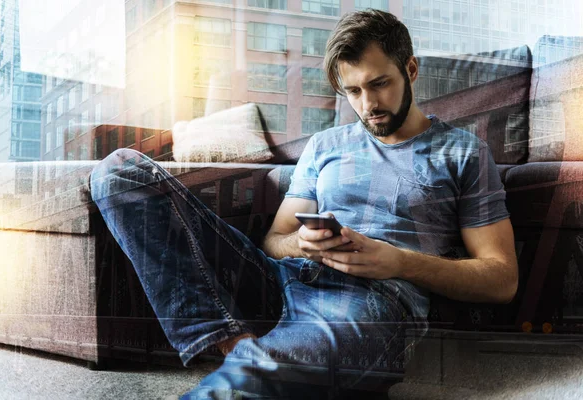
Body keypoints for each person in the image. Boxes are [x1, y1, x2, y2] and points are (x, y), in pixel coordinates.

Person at [89, 9, 518, 400]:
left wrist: (399, 262)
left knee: (238, 390)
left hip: (369, 303)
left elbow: (501, 279)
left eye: (379, 84)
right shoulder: (325, 144)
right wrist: (304, 245)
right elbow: (274, 241)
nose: (367, 105)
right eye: (352, 91)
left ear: (410, 69)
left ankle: (256, 366)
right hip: (278, 280)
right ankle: (235, 344)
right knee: (119, 172)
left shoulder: (462, 152)